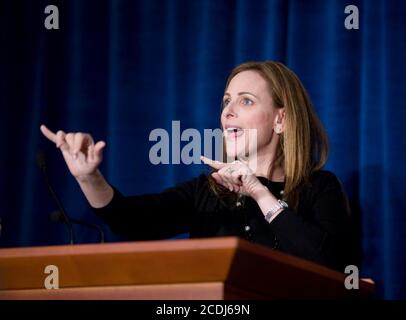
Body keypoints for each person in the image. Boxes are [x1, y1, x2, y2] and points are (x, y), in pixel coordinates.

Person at [40, 61, 356, 272]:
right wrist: (88, 176)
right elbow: (132, 220)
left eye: (245, 100)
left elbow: (331, 264)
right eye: (226, 101)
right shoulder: (208, 192)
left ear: (280, 119)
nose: (228, 112)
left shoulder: (320, 188)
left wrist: (261, 195)